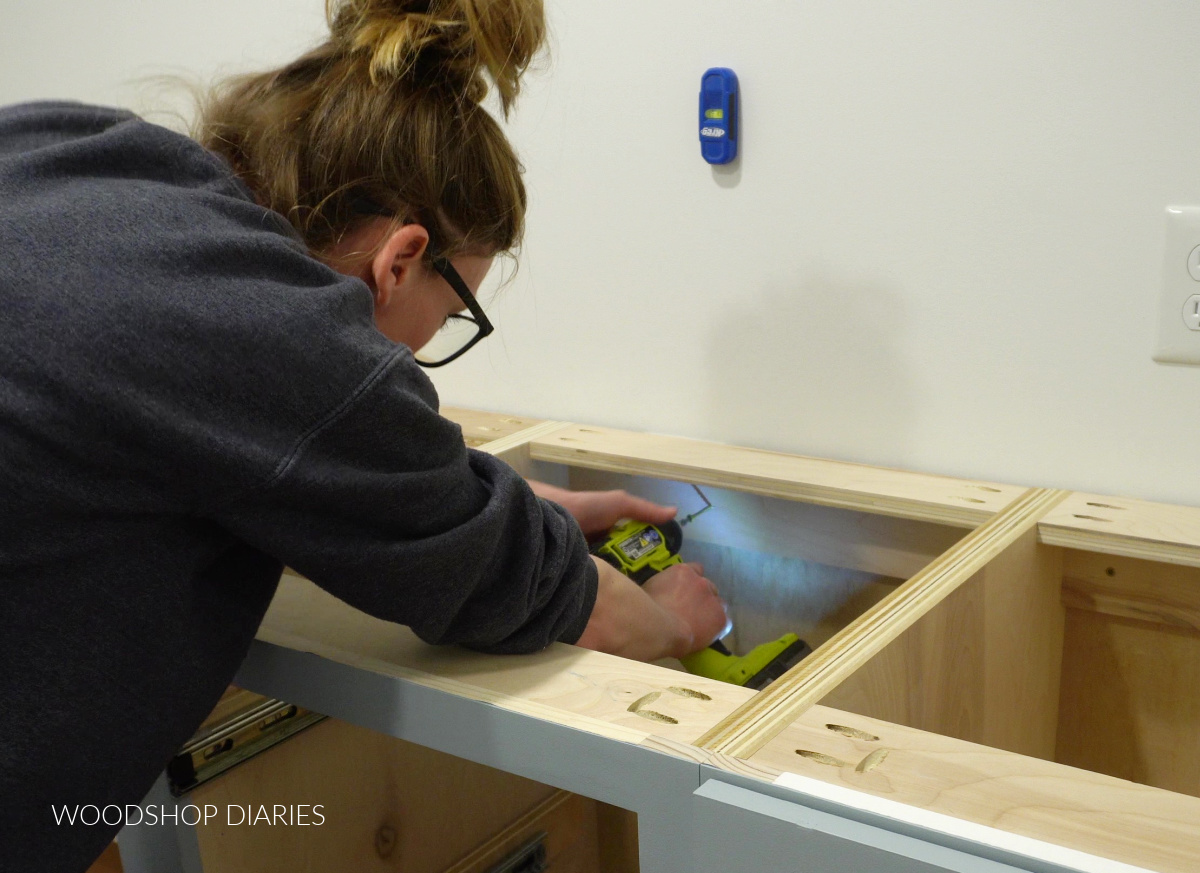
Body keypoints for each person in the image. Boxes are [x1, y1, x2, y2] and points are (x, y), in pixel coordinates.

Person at [0, 0, 728, 869]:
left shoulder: (67, 148)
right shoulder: (276, 333)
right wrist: (677, 624)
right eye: (456, 313)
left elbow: (252, 449)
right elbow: (535, 591)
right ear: (401, 259)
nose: (433, 340)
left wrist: (499, 497)